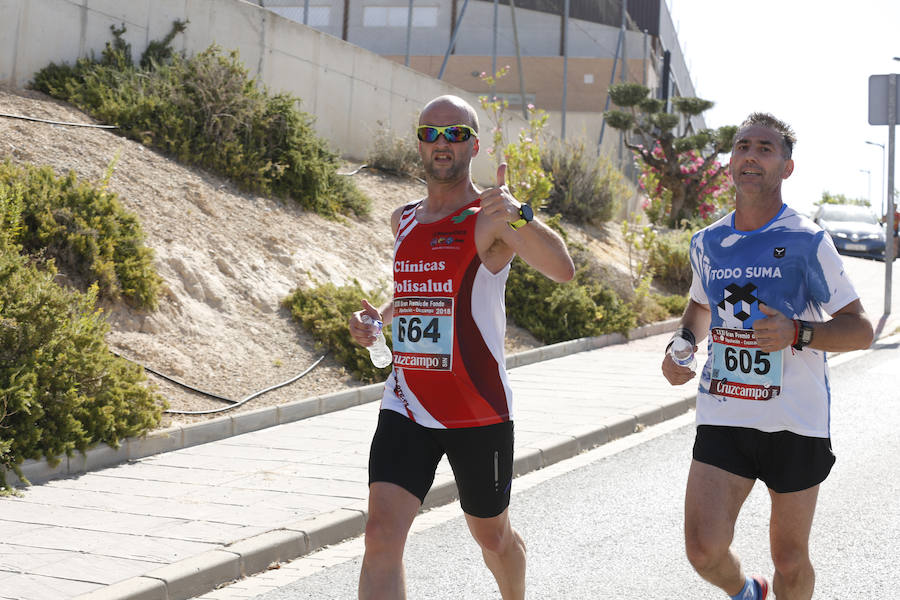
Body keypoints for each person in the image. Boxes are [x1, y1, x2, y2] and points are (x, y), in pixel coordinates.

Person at [348, 94, 574, 599]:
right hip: (407, 400)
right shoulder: (402, 219)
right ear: (419, 145)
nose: (441, 143)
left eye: (455, 134)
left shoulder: (490, 217)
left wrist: (519, 214)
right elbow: (414, 294)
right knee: (380, 535)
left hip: (476, 409)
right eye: (431, 133)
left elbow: (562, 269)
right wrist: (375, 322)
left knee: (492, 537)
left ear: (474, 145)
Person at [662, 113, 874, 600]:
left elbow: (860, 329)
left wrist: (797, 332)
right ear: (730, 161)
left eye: (764, 148)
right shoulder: (708, 243)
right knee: (702, 549)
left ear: (786, 167)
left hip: (794, 420)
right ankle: (745, 591)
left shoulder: (808, 241)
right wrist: (684, 345)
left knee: (791, 559)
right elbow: (699, 307)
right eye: (742, 147)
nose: (750, 156)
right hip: (724, 411)